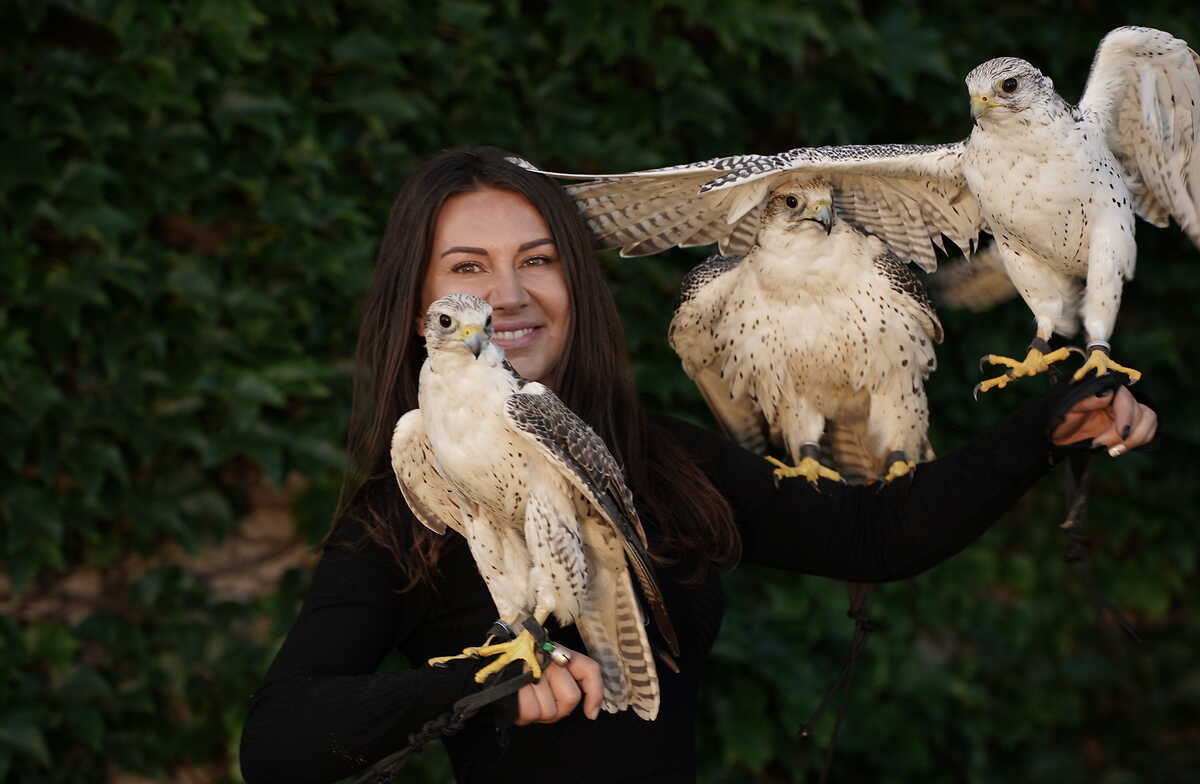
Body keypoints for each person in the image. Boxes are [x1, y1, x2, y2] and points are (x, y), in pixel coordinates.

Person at [238, 147, 1157, 784]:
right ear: (420, 307)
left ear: (577, 286)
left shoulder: (658, 454)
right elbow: (277, 744)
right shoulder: (413, 492)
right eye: (469, 268)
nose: (509, 296)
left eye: (540, 260)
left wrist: (1048, 424)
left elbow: (875, 535)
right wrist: (478, 687)